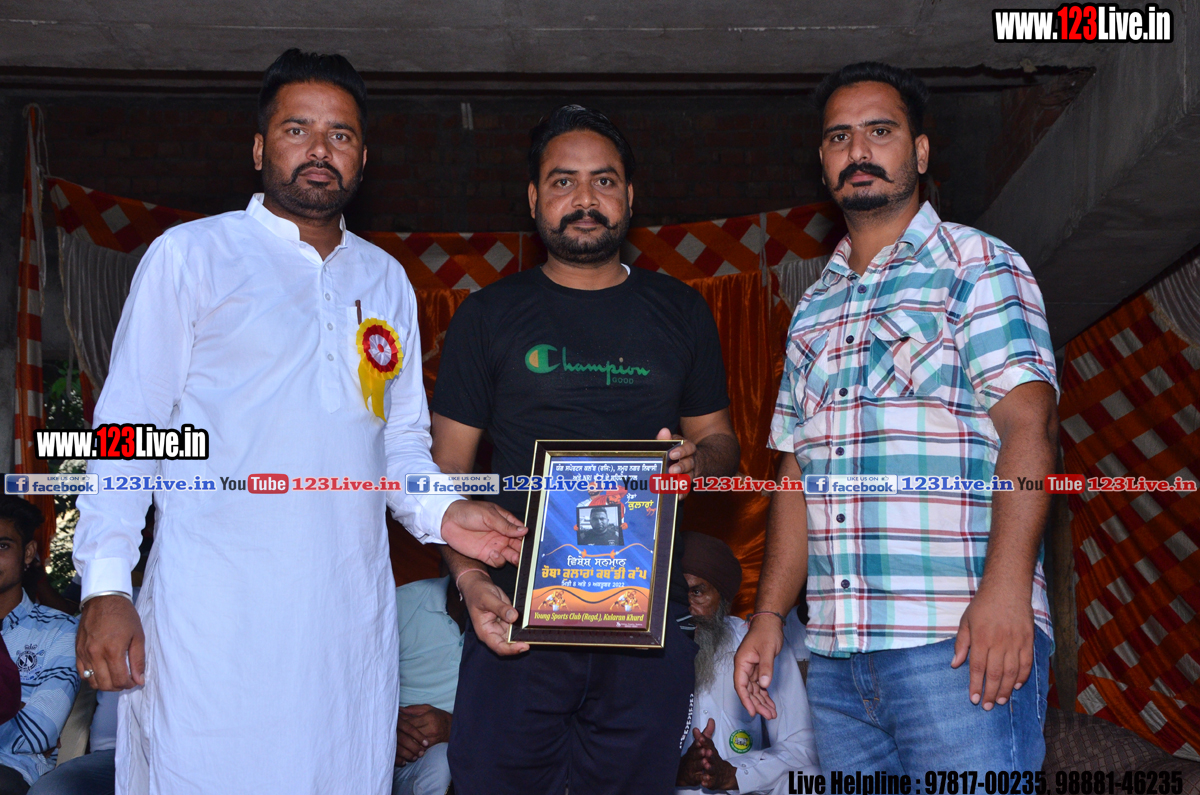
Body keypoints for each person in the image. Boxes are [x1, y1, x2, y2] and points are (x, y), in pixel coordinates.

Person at [71, 49, 526, 795]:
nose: (319, 149)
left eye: (340, 135)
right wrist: (105, 584)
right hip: (214, 620)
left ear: (363, 158)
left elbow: (398, 445)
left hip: (345, 628)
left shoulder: (385, 279)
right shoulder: (192, 255)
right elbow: (128, 429)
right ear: (259, 149)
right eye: (297, 129)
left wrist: (447, 513)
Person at [734, 62, 1058, 774]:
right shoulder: (812, 309)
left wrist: (1007, 591)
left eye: (879, 131)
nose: (858, 150)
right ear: (823, 163)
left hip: (958, 640)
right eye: (839, 137)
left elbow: (1029, 430)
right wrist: (768, 616)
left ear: (920, 151)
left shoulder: (977, 264)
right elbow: (796, 474)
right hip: (837, 661)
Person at [430, 105, 742, 794]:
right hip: (516, 618)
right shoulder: (488, 315)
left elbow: (722, 441)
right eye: (563, 181)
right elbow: (441, 477)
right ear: (534, 198)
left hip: (647, 618)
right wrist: (471, 580)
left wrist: (699, 462)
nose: (584, 198)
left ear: (629, 195)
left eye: (603, 180)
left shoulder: (680, 310)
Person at [676, 532, 817, 795]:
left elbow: (802, 746)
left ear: (723, 600)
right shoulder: (643, 651)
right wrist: (673, 770)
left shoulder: (758, 643)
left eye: (697, 592)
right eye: (676, 594)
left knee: (810, 780)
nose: (686, 607)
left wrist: (734, 774)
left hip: (743, 790)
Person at [0, 498, 80, 795]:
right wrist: (13, 709)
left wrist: (22, 715)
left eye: (2, 545)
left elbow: (39, 732)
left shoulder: (60, 631)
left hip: (10, 771)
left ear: (28, 553)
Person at [391, 575, 466, 795]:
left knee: (443, 762)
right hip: (380, 755)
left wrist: (453, 729)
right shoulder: (401, 604)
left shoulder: (518, 627)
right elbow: (346, 688)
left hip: (454, 756)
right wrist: (384, 729)